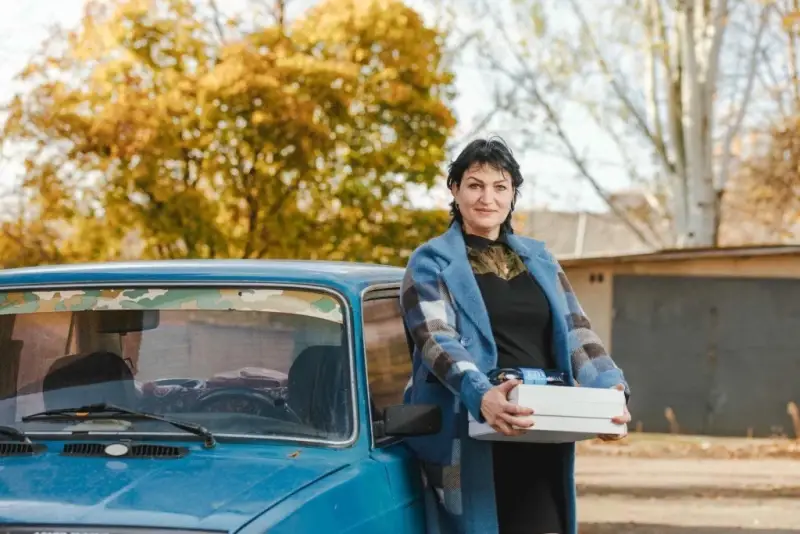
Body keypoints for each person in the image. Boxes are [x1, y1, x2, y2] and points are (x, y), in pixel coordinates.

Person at [399, 137, 631, 534]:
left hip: (539, 426)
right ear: (454, 191)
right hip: (469, 428)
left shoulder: (540, 259)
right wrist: (480, 395)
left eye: (499, 187)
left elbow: (578, 332)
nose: (487, 197)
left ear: (513, 196)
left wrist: (611, 392)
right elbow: (437, 339)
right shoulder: (431, 261)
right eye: (475, 185)